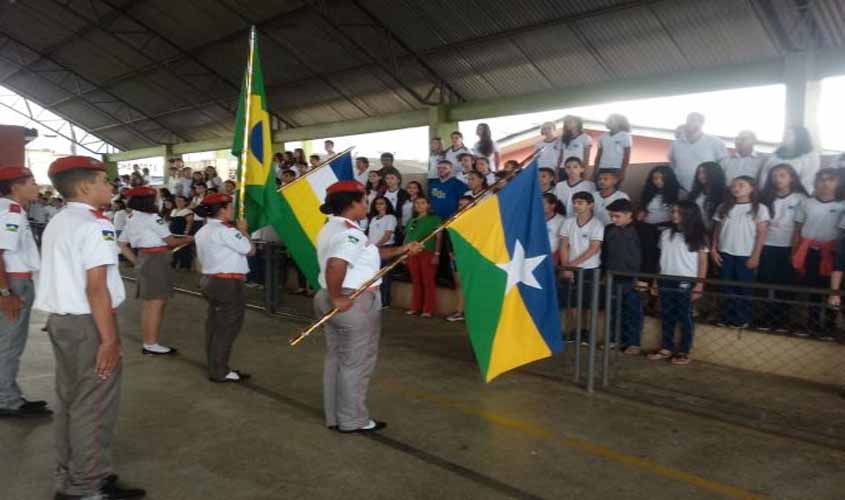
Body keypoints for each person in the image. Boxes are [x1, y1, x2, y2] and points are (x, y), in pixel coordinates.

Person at [36, 156, 145, 499]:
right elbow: (96, 287)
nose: (111, 187)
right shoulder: (96, 225)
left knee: (71, 401)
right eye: (104, 181)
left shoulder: (60, 220)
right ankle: (85, 486)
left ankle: (75, 473)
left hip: (63, 322)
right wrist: (110, 339)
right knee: (94, 405)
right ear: (86, 187)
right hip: (88, 324)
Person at [314, 180, 422, 433]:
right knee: (356, 363)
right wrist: (337, 296)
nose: (366, 205)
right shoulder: (350, 233)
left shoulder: (332, 228)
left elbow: (367, 253)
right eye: (363, 200)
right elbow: (336, 264)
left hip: (329, 297)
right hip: (352, 301)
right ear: (352, 204)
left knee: (336, 359)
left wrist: (402, 249)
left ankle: (336, 416)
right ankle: (353, 420)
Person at [0, 166, 51, 418]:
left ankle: (8, 394)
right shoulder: (11, 211)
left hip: (11, 282)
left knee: (5, 342)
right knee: (9, 344)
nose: (37, 186)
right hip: (13, 283)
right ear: (14, 187)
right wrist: (5, 293)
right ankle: (6, 400)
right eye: (31, 181)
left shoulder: (8, 209)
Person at [118, 187, 192, 355]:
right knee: (156, 303)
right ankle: (150, 344)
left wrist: (137, 262)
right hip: (156, 260)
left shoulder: (132, 217)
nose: (158, 200)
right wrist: (188, 239)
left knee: (150, 304)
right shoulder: (152, 218)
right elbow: (171, 241)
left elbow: (122, 244)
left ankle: (149, 342)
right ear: (148, 200)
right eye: (156, 198)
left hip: (145, 259)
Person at [194, 193, 255, 382]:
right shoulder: (226, 231)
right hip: (228, 283)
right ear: (222, 210)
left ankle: (215, 364)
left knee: (214, 325)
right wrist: (244, 230)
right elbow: (250, 250)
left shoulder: (203, 230)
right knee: (227, 327)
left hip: (211, 280)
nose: (232, 210)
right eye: (230, 207)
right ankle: (219, 370)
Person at [647, 201, 709, 365]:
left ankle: (684, 351)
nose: (674, 215)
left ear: (689, 214)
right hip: (666, 279)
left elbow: (703, 262)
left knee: (685, 316)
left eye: (678, 212)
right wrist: (655, 280)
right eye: (673, 211)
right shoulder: (666, 233)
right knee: (667, 314)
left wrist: (699, 284)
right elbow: (661, 260)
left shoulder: (699, 236)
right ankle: (666, 348)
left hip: (686, 281)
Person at [792, 169, 844, 339]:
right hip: (810, 252)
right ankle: (812, 325)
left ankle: (830, 326)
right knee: (812, 289)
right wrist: (794, 251)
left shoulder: (842, 205)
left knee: (831, 289)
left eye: (830, 180)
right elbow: (798, 229)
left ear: (839, 183)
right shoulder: (807, 203)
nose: (825, 183)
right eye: (821, 179)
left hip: (833, 254)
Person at [711, 176, 770, 328]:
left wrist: (756, 256)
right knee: (726, 286)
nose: (736, 188)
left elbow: (761, 234)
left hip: (746, 255)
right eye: (733, 185)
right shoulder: (723, 206)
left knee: (744, 288)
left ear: (752, 188)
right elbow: (717, 229)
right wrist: (713, 249)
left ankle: (743, 319)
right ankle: (727, 316)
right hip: (725, 253)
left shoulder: (760, 208)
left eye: (741, 185)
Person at [603, 199, 659, 355]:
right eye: (611, 216)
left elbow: (650, 256)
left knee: (634, 311)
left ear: (629, 215)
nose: (613, 219)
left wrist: (645, 279)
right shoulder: (609, 229)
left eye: (617, 216)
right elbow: (605, 253)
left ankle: (634, 343)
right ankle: (614, 339)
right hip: (613, 276)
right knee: (614, 310)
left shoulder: (644, 230)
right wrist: (604, 273)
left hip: (635, 278)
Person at [757, 164, 807, 331]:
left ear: (792, 177)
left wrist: (796, 249)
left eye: (782, 175)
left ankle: (783, 319)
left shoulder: (800, 198)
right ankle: (767, 317)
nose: (777, 178)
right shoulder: (765, 197)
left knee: (786, 283)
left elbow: (801, 227)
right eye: (774, 175)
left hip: (789, 247)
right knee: (766, 281)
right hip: (767, 245)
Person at [559, 191, 604, 342]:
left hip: (590, 269)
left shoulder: (597, 224)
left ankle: (589, 333)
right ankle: (575, 331)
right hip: (570, 268)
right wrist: (566, 267)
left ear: (590, 204)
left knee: (589, 303)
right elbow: (563, 245)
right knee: (572, 303)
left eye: (580, 203)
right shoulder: (568, 222)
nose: (576, 205)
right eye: (575, 202)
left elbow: (593, 249)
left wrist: (571, 266)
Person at [404, 196, 443, 317]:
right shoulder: (412, 220)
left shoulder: (435, 219)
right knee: (416, 281)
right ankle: (415, 307)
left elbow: (439, 237)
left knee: (428, 281)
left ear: (428, 205)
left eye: (422, 203)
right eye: (417, 203)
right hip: (412, 253)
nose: (419, 205)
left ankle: (428, 309)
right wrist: (404, 253)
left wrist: (437, 254)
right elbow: (407, 237)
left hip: (427, 252)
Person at [669, 112, 728, 192]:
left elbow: (723, 165)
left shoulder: (715, 142)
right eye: (689, 120)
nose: (690, 123)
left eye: (694, 120)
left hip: (705, 191)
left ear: (702, 123)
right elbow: (673, 163)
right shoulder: (676, 143)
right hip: (681, 189)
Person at [760, 125, 820, 194]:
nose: (784, 137)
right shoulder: (776, 153)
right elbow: (764, 174)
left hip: (795, 194)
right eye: (784, 134)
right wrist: (763, 192)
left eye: (788, 135)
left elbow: (808, 179)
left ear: (799, 137)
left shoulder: (811, 156)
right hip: (770, 193)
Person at [446, 195, 475, 322]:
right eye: (460, 204)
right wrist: (451, 252)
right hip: (456, 256)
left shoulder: (478, 220)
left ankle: (472, 311)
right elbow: (449, 238)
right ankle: (460, 311)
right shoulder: (454, 219)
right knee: (459, 283)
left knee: (472, 284)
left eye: (466, 204)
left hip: (471, 256)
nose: (462, 207)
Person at [367, 196, 398, 308]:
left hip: (385, 248)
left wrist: (376, 245)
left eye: (382, 203)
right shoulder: (374, 218)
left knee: (384, 276)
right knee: (374, 276)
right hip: (373, 250)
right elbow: (370, 235)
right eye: (377, 204)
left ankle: (385, 302)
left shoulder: (390, 218)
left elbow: (387, 235)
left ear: (387, 205)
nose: (379, 205)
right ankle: (375, 301)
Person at [687, 161, 727, 236]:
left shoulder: (724, 193)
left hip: (716, 233)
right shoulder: (694, 193)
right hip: (696, 232)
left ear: (714, 173)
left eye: (704, 172)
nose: (700, 176)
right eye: (699, 173)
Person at [594, 114, 631, 181]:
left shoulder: (625, 136)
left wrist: (623, 172)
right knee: (599, 189)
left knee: (612, 190)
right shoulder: (602, 137)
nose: (608, 121)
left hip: (616, 169)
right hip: (602, 167)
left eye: (611, 120)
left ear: (619, 122)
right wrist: (595, 170)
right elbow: (598, 155)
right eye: (608, 120)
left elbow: (627, 156)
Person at [170, 195, 195, 270]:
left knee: (184, 250)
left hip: (182, 232)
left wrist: (186, 232)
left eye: (181, 201)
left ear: (185, 202)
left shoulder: (188, 211)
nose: (178, 202)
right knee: (174, 249)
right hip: (173, 232)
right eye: (177, 201)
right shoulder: (174, 210)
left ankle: (184, 266)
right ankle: (174, 264)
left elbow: (189, 222)